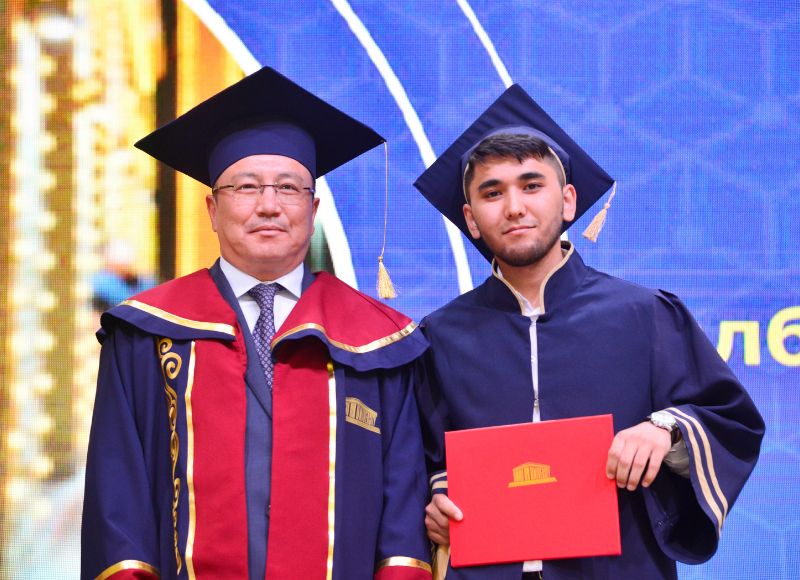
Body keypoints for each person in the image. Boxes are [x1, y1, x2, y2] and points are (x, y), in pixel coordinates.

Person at [81, 66, 433, 580]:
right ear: (212, 209)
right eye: (245, 186)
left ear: (313, 209)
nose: (269, 205)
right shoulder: (146, 334)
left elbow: (403, 518)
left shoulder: (380, 343)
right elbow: (118, 504)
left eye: (289, 188)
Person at [412, 84, 764, 579]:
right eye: (492, 193)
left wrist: (664, 429)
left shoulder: (645, 315)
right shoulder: (440, 335)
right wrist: (434, 502)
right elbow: (415, 458)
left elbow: (731, 420)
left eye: (532, 185)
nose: (513, 207)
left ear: (568, 201)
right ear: (470, 218)